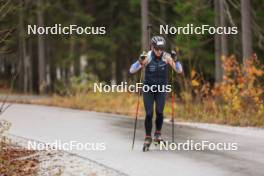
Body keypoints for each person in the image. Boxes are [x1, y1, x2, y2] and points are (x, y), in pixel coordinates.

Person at [129, 36, 183, 147]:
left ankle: (158, 134)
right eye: (157, 48)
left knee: (159, 112)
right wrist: (139, 61)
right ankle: (148, 137)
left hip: (161, 89)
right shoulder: (147, 56)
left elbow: (179, 70)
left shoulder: (166, 57)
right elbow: (132, 70)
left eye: (161, 48)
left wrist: (176, 60)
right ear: (152, 47)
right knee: (149, 113)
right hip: (148, 88)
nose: (159, 51)